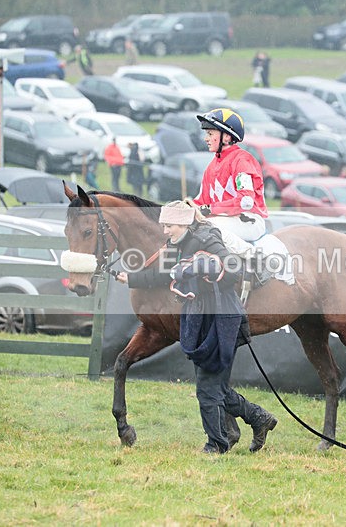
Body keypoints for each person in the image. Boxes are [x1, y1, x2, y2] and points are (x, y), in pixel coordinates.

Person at [115, 200, 278, 454]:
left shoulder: (207, 237)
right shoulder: (175, 244)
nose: (165, 231)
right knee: (217, 387)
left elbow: (231, 269)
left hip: (220, 316)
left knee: (207, 388)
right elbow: (167, 274)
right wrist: (132, 278)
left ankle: (216, 445)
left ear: (183, 223)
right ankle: (259, 418)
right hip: (199, 316)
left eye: (168, 225)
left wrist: (198, 270)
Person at [194, 108, 268, 254]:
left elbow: (246, 201)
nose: (206, 138)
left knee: (208, 227)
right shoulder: (212, 166)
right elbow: (202, 201)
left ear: (226, 137)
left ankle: (255, 258)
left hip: (249, 220)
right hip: (224, 220)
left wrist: (210, 209)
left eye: (210, 134)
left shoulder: (242, 160)